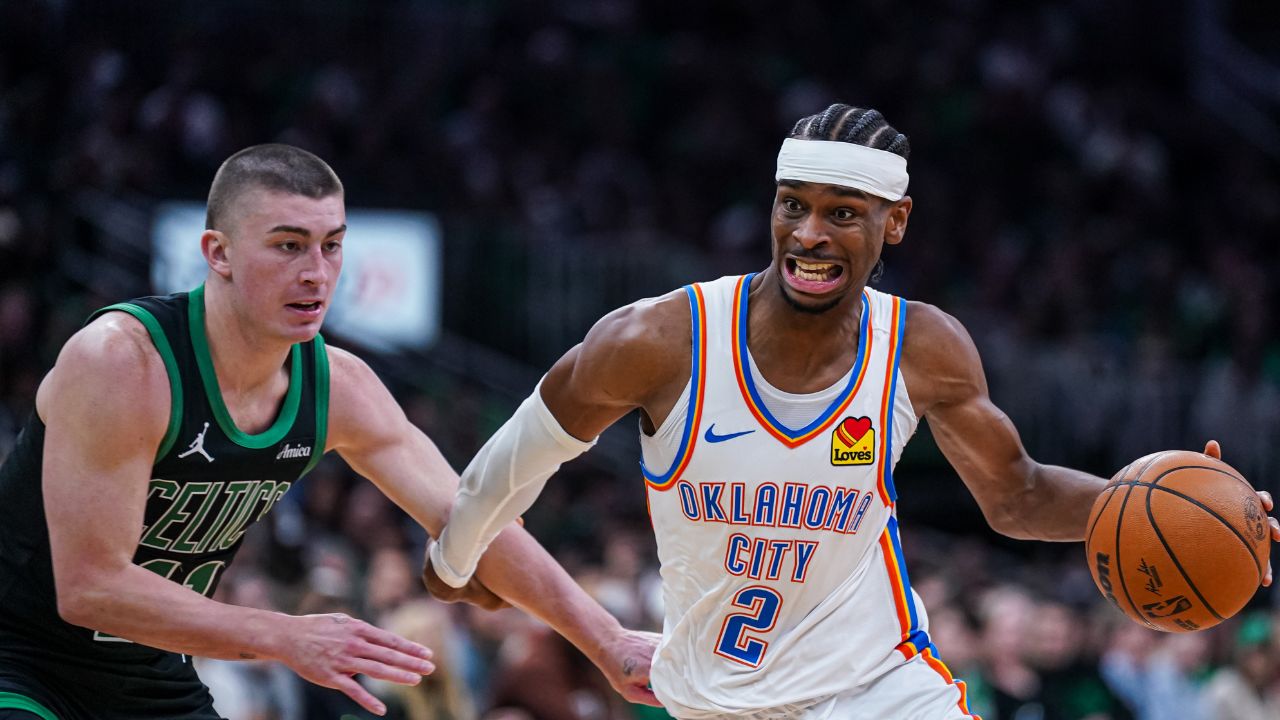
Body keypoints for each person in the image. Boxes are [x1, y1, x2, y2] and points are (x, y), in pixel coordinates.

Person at [426, 104, 1280, 718]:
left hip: (881, 688)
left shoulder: (923, 346)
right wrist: (454, 556)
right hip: (716, 698)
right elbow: (513, 461)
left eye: (843, 214)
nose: (808, 236)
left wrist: (1175, 509)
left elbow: (1014, 494)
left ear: (894, 223)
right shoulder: (658, 339)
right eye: (793, 206)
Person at [0, 144, 659, 720]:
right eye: (288, 245)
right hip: (18, 656)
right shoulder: (122, 362)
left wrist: (607, 641)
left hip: (148, 671)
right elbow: (89, 588)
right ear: (218, 253)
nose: (317, 272)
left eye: (332, 244)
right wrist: (283, 634)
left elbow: (473, 521)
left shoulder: (339, 387)